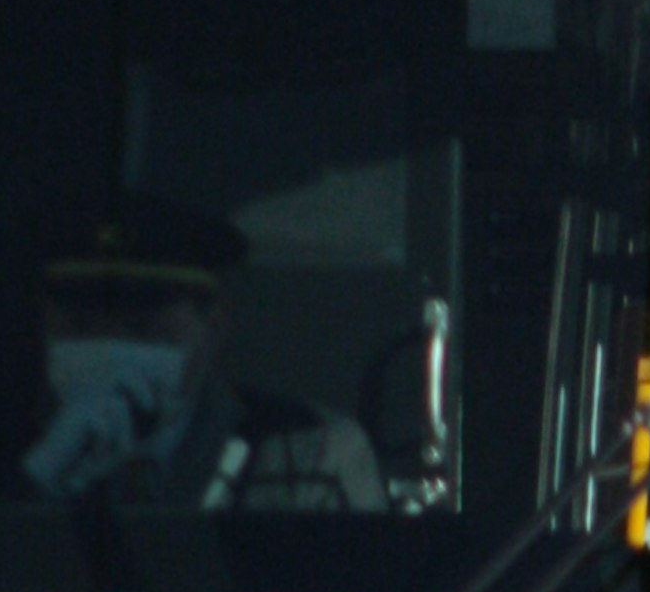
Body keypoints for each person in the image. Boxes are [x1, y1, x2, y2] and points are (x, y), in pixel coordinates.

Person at [22, 203, 384, 513]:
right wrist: (41, 478)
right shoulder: (2, 447)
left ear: (212, 327)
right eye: (80, 327)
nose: (108, 350)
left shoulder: (308, 449)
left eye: (142, 329)